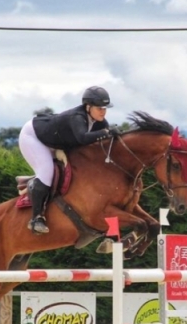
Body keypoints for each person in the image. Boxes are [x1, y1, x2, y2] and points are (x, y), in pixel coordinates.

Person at [18, 86, 119, 234]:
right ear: (88, 107)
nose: (103, 111)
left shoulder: (101, 123)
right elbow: (82, 138)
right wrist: (107, 132)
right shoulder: (77, 117)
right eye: (99, 108)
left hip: (57, 141)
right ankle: (36, 219)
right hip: (34, 137)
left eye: (105, 108)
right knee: (47, 171)